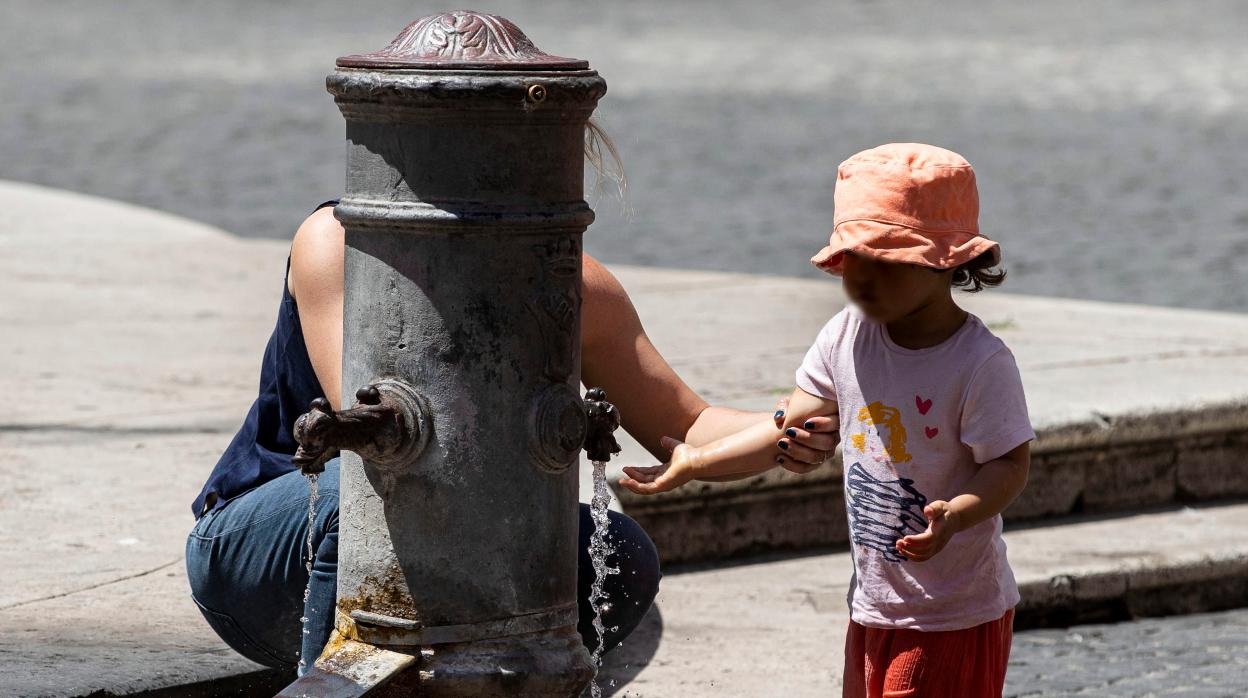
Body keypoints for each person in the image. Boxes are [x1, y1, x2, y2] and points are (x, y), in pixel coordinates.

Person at [183, 147, 841, 676]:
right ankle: (336, 682)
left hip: (467, 527)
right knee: (355, 503)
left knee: (624, 558)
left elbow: (688, 427)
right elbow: (385, 446)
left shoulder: (575, 287)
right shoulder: (340, 243)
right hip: (267, 550)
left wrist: (797, 424)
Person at [619, 143, 1034, 698]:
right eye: (853, 264)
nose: (863, 284)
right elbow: (788, 426)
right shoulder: (845, 336)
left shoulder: (979, 363)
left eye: (885, 265)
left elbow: (1008, 464)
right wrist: (697, 462)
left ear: (948, 261)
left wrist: (959, 514)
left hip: (952, 610)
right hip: (874, 602)